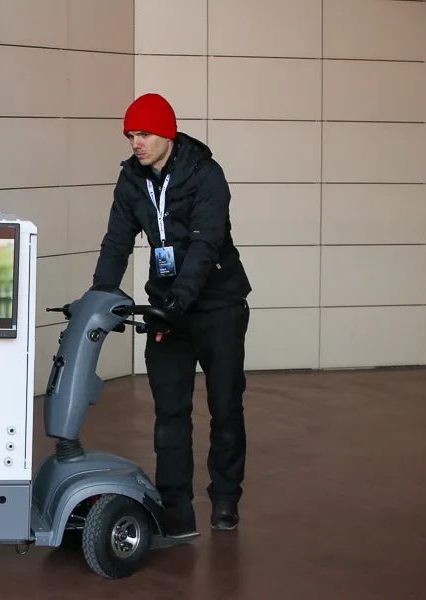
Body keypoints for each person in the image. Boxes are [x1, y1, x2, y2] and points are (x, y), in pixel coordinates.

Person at [92, 93, 252, 538]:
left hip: (218, 305)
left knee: (225, 407)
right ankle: (176, 506)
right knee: (170, 412)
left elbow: (206, 244)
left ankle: (225, 497)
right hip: (168, 310)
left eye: (143, 134)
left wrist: (180, 298)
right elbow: (117, 241)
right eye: (130, 136)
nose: (135, 143)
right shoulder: (131, 179)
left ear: (166, 133)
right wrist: (100, 295)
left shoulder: (206, 174)